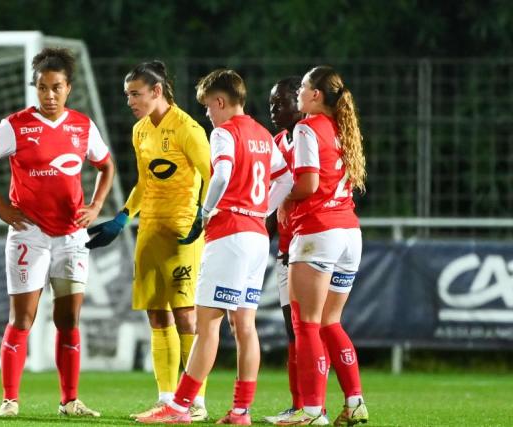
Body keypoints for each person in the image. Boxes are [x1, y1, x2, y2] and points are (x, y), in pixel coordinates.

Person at [136, 69, 292, 425]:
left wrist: (206, 212)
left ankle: (179, 407)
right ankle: (240, 411)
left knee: (207, 325)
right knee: (245, 326)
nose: (207, 114)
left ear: (220, 102)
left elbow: (220, 174)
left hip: (230, 235)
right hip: (255, 237)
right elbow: (287, 178)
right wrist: (262, 209)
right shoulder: (263, 135)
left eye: (208, 107)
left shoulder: (224, 133)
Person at [0, 47, 115, 418]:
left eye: (56, 87)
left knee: (69, 321)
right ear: (34, 87)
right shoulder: (15, 125)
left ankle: (70, 401)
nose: (49, 95)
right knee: (23, 318)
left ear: (69, 88)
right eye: (42, 87)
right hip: (29, 234)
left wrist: (96, 207)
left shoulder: (82, 126)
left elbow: (106, 166)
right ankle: (10, 400)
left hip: (71, 237)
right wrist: (2, 208)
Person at [86, 60, 210, 421]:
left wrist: (203, 214)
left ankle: (195, 402)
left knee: (186, 316)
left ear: (157, 91)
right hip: (150, 230)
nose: (130, 101)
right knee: (157, 316)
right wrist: (124, 217)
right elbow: (145, 182)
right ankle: (167, 398)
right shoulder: (140, 131)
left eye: (135, 94)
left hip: (183, 232)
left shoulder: (188, 129)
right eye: (127, 95)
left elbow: (212, 174)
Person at [275, 66, 368, 426]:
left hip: (318, 233)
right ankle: (355, 402)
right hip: (349, 233)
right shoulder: (343, 127)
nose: (298, 92)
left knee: (307, 324)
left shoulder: (306, 127)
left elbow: (309, 183)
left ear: (316, 95)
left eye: (302, 87)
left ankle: (312, 411)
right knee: (330, 322)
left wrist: (284, 199)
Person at [262, 76, 310, 424]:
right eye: (271, 103)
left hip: (312, 245)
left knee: (315, 328)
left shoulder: (314, 136)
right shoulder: (278, 142)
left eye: (280, 102)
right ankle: (299, 405)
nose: (274, 109)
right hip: (286, 247)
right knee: (293, 330)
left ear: (300, 101)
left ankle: (317, 404)